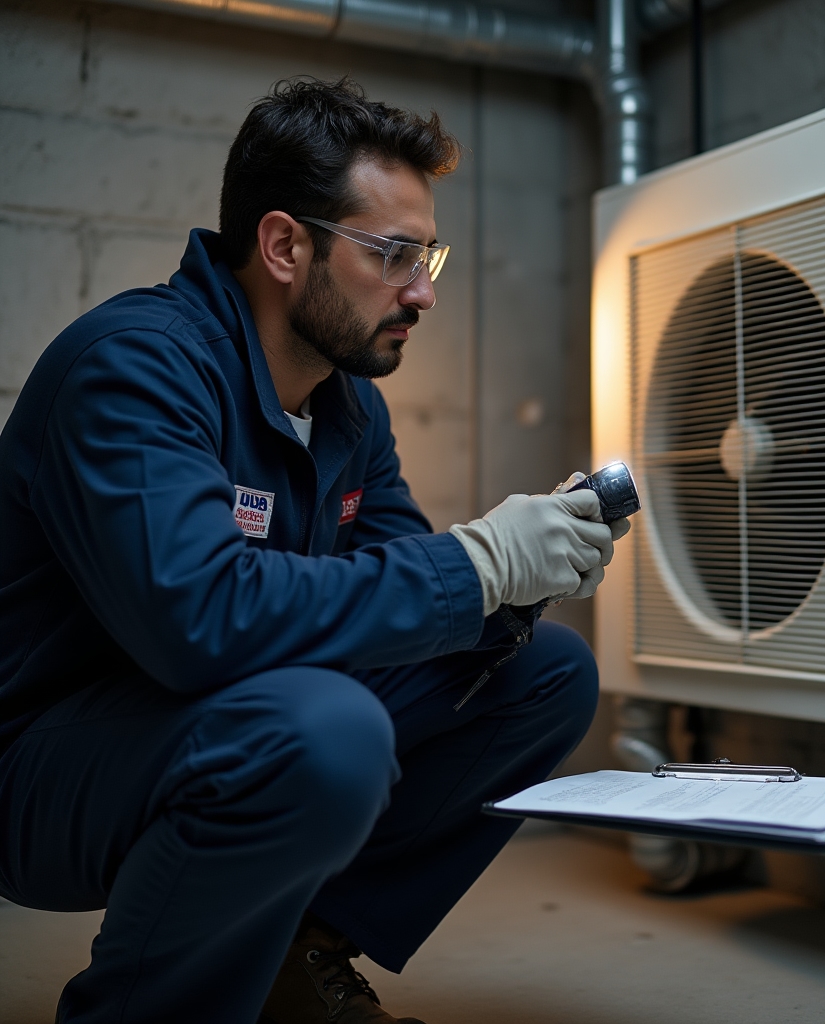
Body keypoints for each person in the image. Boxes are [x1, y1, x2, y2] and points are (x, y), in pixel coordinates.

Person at [0, 77, 628, 1024]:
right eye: (394, 254)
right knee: (325, 729)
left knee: (540, 673)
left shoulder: (345, 404)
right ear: (286, 245)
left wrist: (515, 580)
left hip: (209, 717)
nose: (422, 291)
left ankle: (297, 953)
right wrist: (477, 563)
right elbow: (196, 622)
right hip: (41, 765)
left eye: (430, 255)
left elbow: (402, 606)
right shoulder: (134, 366)